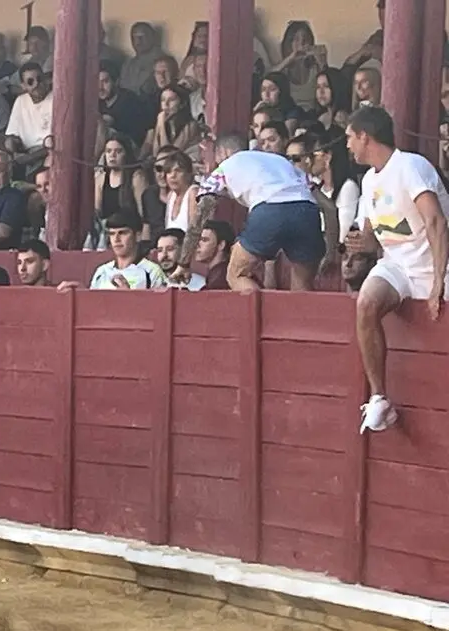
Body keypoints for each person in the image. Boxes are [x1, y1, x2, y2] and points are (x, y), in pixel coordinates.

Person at [345, 106, 449, 433]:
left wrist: (438, 282)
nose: (347, 144)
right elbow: (374, 239)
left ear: (365, 136)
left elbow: (436, 221)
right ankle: (379, 398)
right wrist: (358, 244)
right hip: (397, 265)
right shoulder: (368, 180)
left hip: (436, 264)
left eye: (350, 137)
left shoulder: (410, 166)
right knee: (366, 303)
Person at [169, 132, 335, 291]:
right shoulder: (283, 162)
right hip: (307, 211)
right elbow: (329, 207)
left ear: (222, 153)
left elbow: (201, 215)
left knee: (236, 275)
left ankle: (261, 311)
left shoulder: (224, 168)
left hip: (269, 210)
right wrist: (331, 252)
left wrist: (184, 263)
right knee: (302, 287)